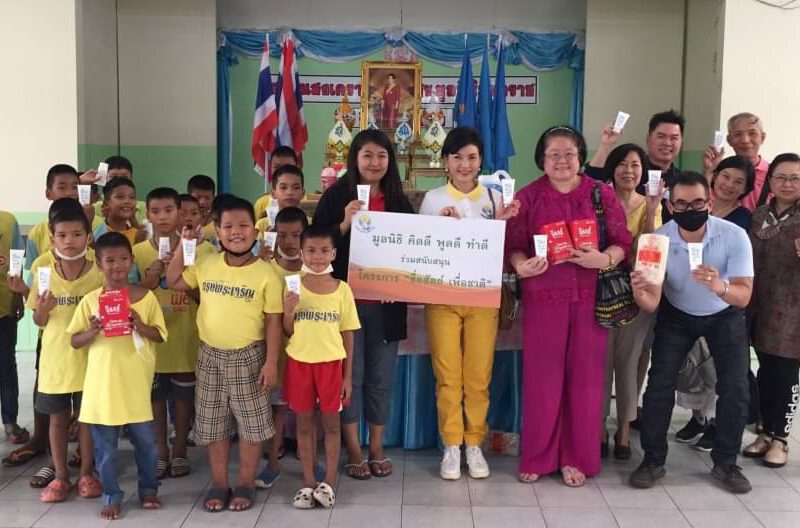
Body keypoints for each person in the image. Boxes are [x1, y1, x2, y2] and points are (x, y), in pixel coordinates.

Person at [506, 125, 632, 486]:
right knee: (543, 380)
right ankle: (539, 455)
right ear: (541, 160)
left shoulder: (601, 195)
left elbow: (623, 241)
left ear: (581, 157)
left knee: (587, 382)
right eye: (554, 154)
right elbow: (513, 244)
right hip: (543, 299)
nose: (562, 161)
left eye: (570, 154)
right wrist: (519, 264)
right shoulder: (528, 197)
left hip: (591, 300)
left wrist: (604, 259)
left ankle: (578, 457)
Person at [629, 171, 754, 494]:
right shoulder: (656, 240)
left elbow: (743, 295)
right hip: (676, 314)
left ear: (710, 202)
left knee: (736, 387)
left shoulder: (734, 235)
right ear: (670, 206)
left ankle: (726, 462)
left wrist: (719, 286)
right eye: (681, 203)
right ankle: (653, 459)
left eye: (697, 202)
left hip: (724, 312)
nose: (690, 209)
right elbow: (651, 304)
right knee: (658, 386)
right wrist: (640, 290)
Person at [166, 196, 280, 512]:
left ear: (255, 232)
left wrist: (271, 362)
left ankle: (244, 482)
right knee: (213, 424)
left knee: (251, 425)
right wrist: (183, 245)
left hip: (250, 357)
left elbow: (273, 321)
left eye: (243, 225)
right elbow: (174, 280)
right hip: (210, 356)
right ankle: (218, 483)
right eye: (228, 226)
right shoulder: (206, 264)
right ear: (217, 230)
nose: (236, 232)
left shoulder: (266, 273)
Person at [418, 127, 520, 480]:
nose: (464, 164)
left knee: (478, 375)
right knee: (448, 375)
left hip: (483, 296)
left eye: (471, 157)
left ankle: (474, 443)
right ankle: (451, 445)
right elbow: (420, 251)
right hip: (442, 297)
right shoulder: (432, 200)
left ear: (480, 162)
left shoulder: (494, 199)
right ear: (445, 161)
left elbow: (505, 251)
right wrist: (441, 230)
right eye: (457, 157)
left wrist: (506, 222)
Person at [313, 129, 414, 479]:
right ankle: (353, 446)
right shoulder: (336, 196)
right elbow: (317, 247)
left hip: (387, 306)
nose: (375, 162)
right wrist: (343, 222)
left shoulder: (399, 199)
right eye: (367, 155)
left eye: (381, 156)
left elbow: (411, 251)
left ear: (390, 160)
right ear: (355, 159)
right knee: (349, 378)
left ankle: (376, 446)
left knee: (380, 377)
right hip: (345, 305)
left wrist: (398, 282)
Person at [67, 232, 167, 519]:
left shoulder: (146, 298)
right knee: (106, 449)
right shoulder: (90, 301)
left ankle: (149, 490)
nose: (117, 266)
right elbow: (74, 341)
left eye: (123, 259)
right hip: (103, 390)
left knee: (147, 444)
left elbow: (160, 336)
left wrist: (139, 325)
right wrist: (92, 330)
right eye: (109, 260)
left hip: (136, 388)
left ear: (132, 261)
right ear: (98, 264)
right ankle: (111, 495)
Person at [673, 156, 756, 452]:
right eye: (725, 177)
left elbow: (743, 280)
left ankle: (719, 428)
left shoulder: (742, 222)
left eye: (738, 182)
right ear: (714, 177)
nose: (730, 185)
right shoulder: (685, 211)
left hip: (723, 304)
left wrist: (720, 285)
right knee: (692, 367)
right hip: (684, 301)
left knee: (722, 373)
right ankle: (699, 418)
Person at [26, 201, 104, 503]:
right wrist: (42, 311)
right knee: (57, 418)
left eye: (76, 234)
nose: (69, 242)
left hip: (92, 356)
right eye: (62, 235)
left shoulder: (99, 268)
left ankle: (86, 472)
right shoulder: (42, 269)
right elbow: (38, 319)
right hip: (56, 358)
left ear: (88, 236)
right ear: (52, 235)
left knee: (87, 417)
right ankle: (60, 475)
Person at [133, 188, 214, 479]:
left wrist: (180, 277)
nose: (163, 217)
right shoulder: (138, 251)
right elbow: (130, 295)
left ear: (181, 214)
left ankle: (179, 449)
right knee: (155, 397)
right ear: (148, 215)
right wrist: (152, 278)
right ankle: (160, 450)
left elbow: (208, 297)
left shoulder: (203, 251)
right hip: (151, 342)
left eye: (169, 210)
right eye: (155, 211)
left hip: (186, 339)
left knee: (183, 398)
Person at [279, 224, 360, 509]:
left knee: (331, 425)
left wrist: (347, 376)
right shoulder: (292, 286)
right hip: (300, 364)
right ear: (301, 253)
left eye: (324, 250)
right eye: (311, 251)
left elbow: (348, 334)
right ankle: (308, 481)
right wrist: (289, 311)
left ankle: (329, 483)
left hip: (331, 367)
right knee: (304, 425)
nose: (317, 257)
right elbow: (288, 330)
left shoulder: (343, 290)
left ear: (334, 254)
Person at [597, 143, 662, 460]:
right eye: (622, 164)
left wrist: (651, 212)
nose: (628, 170)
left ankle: (623, 430)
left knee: (630, 363)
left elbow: (652, 252)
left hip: (637, 292)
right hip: (601, 293)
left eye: (635, 165)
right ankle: (597, 428)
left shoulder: (653, 204)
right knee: (600, 364)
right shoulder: (599, 199)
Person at [254, 207, 321, 489]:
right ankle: (272, 463)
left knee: (310, 410)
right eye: (282, 235)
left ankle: (312, 461)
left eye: (296, 235)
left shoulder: (315, 270)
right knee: (278, 408)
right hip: (278, 351)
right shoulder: (267, 269)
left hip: (310, 350)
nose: (289, 241)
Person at [744, 153, 800, 467]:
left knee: (786, 373)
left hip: (792, 309)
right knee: (764, 371)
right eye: (781, 177)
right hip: (759, 306)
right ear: (771, 181)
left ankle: (781, 439)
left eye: (795, 178)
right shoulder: (760, 214)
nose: (788, 184)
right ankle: (764, 431)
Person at [586, 110, 685, 195]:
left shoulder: (683, 181)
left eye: (674, 138)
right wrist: (606, 145)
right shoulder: (628, 172)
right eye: (661, 136)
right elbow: (589, 183)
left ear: (681, 142)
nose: (667, 143)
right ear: (648, 139)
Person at [702, 113, 769, 211]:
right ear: (729, 140)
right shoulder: (720, 170)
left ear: (762, 138)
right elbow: (703, 203)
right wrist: (708, 171)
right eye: (738, 134)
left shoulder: (775, 175)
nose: (745, 140)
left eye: (752, 133)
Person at [0, 209, 25, 448]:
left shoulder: (8, 220)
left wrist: (18, 296)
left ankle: (10, 421)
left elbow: (16, 260)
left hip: (4, 306)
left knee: (6, 366)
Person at [83, 155, 147, 224]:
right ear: (103, 179)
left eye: (124, 177)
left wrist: (132, 219)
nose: (119, 180)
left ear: (131, 178)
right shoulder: (92, 209)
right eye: (113, 177)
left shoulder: (146, 208)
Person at [93, 178, 148, 247]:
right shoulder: (97, 234)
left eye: (132, 197)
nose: (127, 201)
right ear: (106, 204)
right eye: (120, 197)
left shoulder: (138, 234)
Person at [255, 165, 307, 237]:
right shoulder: (263, 225)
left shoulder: (310, 223)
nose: (289, 192)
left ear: (303, 193)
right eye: (283, 187)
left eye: (296, 187)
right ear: (273, 193)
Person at [253, 146, 300, 221]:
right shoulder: (261, 204)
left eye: (288, 167)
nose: (282, 172)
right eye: (277, 167)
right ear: (270, 169)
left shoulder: (304, 201)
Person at [186, 174, 217, 243]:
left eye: (207, 198)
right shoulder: (180, 220)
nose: (202, 202)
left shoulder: (218, 220)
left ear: (213, 198)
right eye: (197, 197)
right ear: (189, 196)